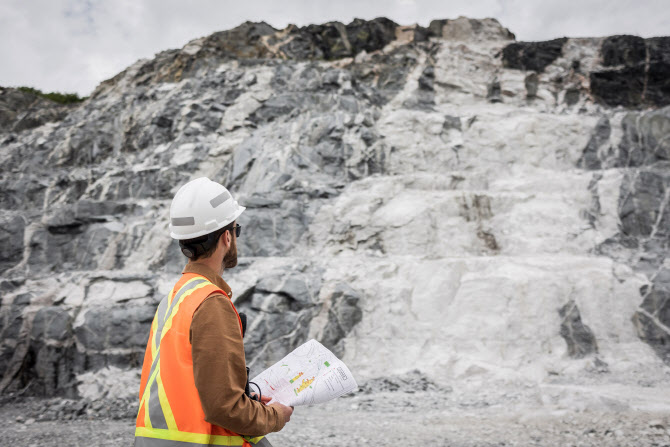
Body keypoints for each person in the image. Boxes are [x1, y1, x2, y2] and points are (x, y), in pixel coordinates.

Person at [134, 177, 293, 447]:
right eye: (235, 229)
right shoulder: (211, 303)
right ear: (227, 237)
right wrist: (275, 415)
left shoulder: (174, 298)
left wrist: (247, 401)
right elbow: (224, 407)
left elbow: (189, 386)